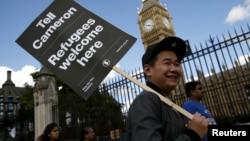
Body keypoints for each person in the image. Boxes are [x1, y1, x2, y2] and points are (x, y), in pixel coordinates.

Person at [126, 36, 210, 141]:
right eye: (167, 63)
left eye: (176, 63)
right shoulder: (145, 101)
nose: (174, 69)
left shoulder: (169, 104)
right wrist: (192, 135)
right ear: (148, 70)